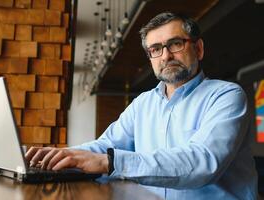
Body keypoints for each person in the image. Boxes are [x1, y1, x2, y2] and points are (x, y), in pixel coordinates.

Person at [26, 12, 258, 199]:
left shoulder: (226, 95)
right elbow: (105, 146)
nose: (165, 56)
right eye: (156, 49)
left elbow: (203, 162)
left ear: (198, 49)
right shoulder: (143, 104)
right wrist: (61, 156)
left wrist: (110, 162)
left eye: (175, 44)